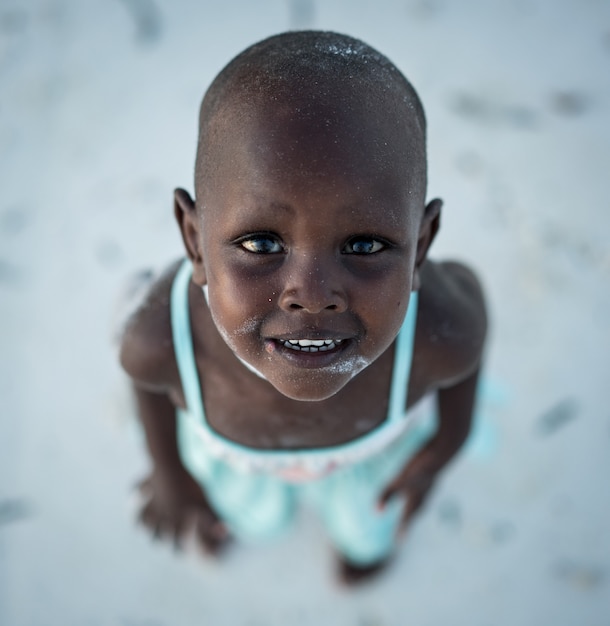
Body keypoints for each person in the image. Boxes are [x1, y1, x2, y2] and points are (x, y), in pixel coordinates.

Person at [119, 30, 487, 584]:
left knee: (369, 526)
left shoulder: (439, 330)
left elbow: (469, 353)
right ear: (194, 240)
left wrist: (443, 449)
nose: (312, 294)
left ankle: (362, 551)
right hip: (240, 467)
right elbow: (147, 387)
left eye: (364, 245)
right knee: (254, 517)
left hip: (373, 468)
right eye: (261, 244)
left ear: (422, 246)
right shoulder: (161, 338)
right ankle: (247, 523)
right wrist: (170, 475)